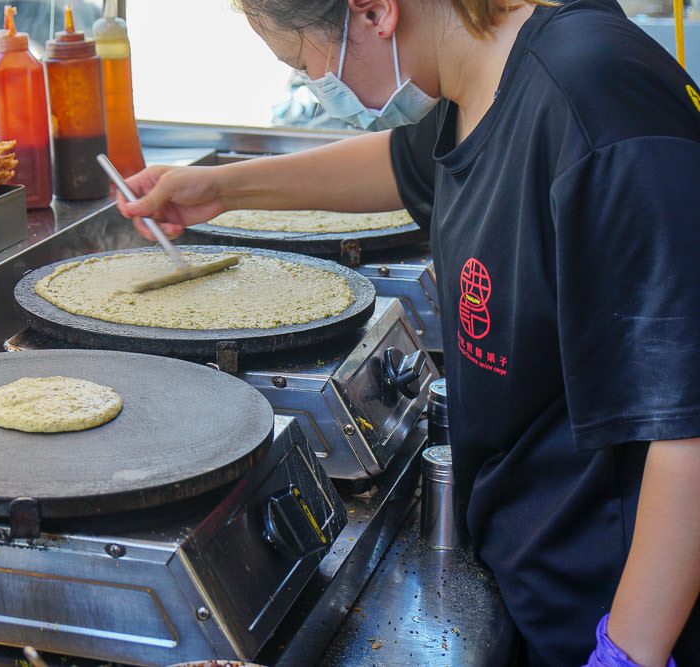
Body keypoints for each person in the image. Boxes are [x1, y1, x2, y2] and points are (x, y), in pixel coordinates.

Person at [113, 0, 700, 665]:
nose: (316, 88)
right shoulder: (475, 81)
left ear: (374, 12)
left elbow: (686, 429)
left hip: (625, 607)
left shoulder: (598, 102)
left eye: (303, 65)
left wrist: (627, 652)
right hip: (545, 578)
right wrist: (222, 189)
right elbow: (404, 165)